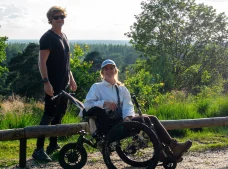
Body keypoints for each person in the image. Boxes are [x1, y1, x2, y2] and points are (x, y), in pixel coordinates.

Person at [84, 59, 192, 162]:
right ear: (102, 72)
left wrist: (127, 117)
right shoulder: (97, 87)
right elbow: (87, 105)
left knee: (151, 119)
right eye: (106, 69)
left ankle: (171, 148)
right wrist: (104, 103)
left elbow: (128, 106)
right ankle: (165, 152)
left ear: (115, 71)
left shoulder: (122, 88)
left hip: (123, 120)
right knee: (147, 120)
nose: (109, 71)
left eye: (111, 68)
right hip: (109, 123)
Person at [32, 6, 77, 162]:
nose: (60, 19)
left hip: (63, 84)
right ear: (50, 19)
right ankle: (38, 149)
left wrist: (71, 78)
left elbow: (67, 63)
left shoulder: (64, 36)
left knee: (59, 114)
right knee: (48, 115)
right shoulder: (47, 38)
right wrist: (46, 82)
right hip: (52, 84)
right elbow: (41, 62)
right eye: (56, 17)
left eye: (62, 16)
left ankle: (53, 144)